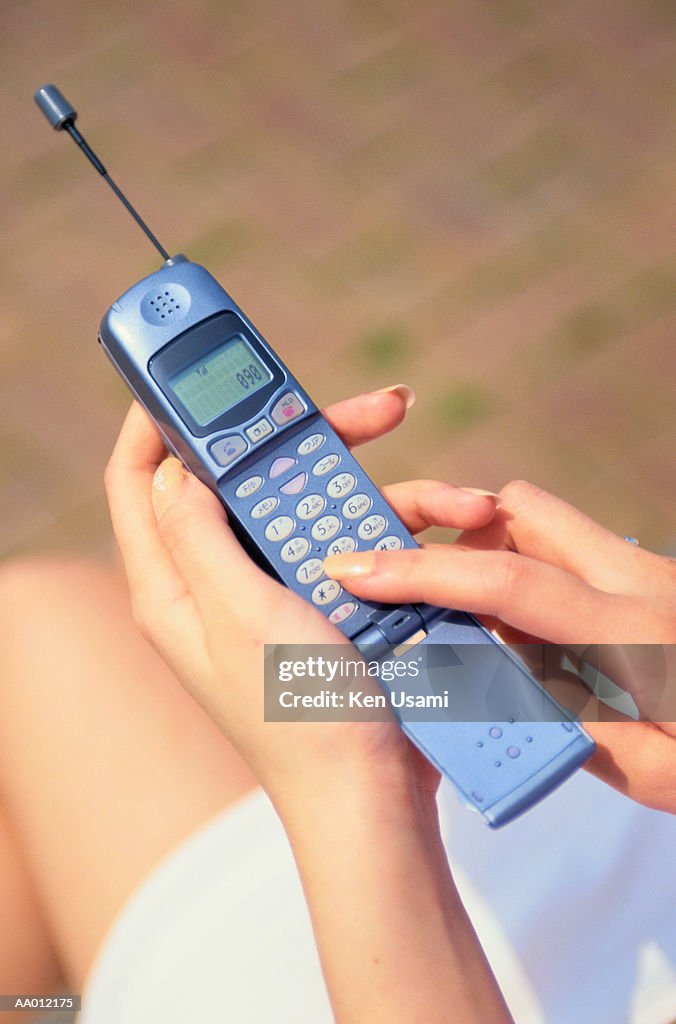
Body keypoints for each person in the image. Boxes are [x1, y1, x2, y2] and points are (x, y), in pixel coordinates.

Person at [0, 386, 673, 1023]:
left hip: (377, 922)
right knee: (43, 611)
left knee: (31, 624)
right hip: (611, 812)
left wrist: (349, 786)